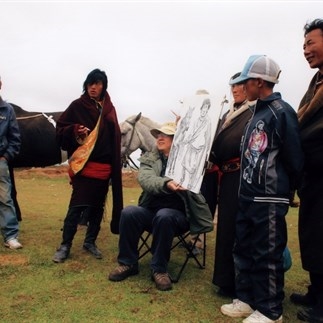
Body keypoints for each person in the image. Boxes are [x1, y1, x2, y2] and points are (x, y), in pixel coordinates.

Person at [220, 55, 303, 323]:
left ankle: (270, 310)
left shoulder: (281, 111)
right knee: (243, 248)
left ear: (259, 81)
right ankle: (246, 299)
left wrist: (289, 191)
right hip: (247, 195)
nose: (243, 87)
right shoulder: (256, 112)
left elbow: (294, 157)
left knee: (266, 253)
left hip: (270, 197)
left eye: (246, 82)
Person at [108, 122, 213, 291]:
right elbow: (146, 180)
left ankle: (159, 269)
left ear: (176, 140)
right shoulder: (149, 159)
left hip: (180, 215)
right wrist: (167, 183)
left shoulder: (189, 159)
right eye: (158, 135)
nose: (160, 138)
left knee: (164, 216)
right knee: (128, 212)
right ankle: (128, 263)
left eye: (166, 135)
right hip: (151, 211)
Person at [52, 68, 123, 263]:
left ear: (103, 86)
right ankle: (65, 245)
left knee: (97, 208)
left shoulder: (109, 109)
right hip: (85, 166)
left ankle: (90, 241)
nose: (94, 87)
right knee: (76, 206)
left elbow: (114, 136)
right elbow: (60, 129)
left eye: (98, 83)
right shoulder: (77, 106)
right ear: (86, 85)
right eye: (90, 83)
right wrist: (75, 130)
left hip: (104, 168)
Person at [290, 18, 323, 323]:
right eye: (303, 46)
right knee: (312, 234)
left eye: (311, 43)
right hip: (312, 176)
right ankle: (316, 291)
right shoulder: (315, 83)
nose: (305, 51)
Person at [210, 72, 254, 298]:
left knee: (241, 231)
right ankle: (226, 281)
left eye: (239, 85)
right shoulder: (228, 115)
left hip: (244, 177)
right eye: (232, 87)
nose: (235, 90)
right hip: (226, 179)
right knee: (226, 230)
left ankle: (241, 284)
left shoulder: (255, 112)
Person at [0, 75, 22, 249]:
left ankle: (10, 236)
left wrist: (6, 157)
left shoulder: (7, 110)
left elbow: (15, 139)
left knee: (5, 199)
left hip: (0, 162)